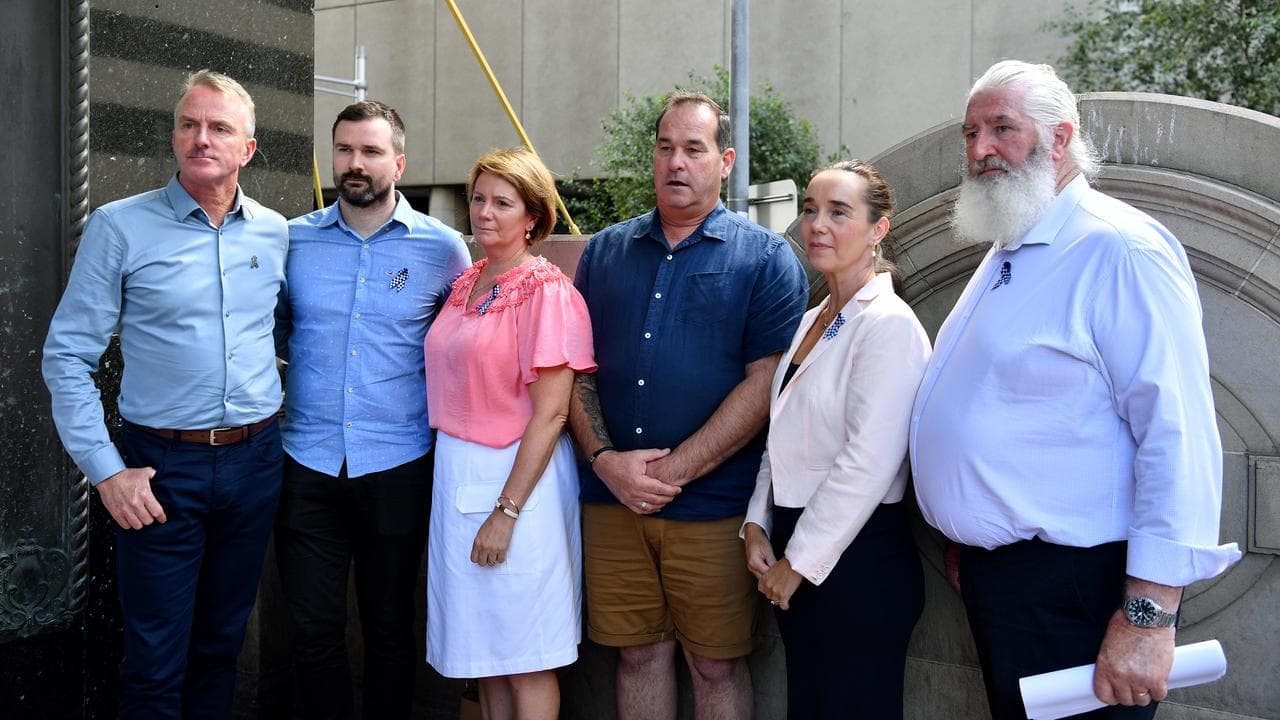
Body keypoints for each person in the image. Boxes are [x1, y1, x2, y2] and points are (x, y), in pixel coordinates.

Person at [910, 60, 1241, 720]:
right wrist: (975, 530)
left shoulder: (1118, 249)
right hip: (1005, 580)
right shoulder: (1012, 245)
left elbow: (1176, 437)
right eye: (971, 133)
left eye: (1002, 128)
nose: (980, 150)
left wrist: (1148, 620)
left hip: (1080, 590)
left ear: (1059, 139)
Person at [42, 70, 287, 718]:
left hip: (256, 463)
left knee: (220, 650)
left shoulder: (275, 232)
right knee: (153, 663)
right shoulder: (119, 228)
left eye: (219, 128)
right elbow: (66, 356)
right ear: (175, 135)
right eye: (189, 124)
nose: (200, 138)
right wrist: (108, 474)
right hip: (160, 471)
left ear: (248, 149)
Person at [569, 91, 808, 720]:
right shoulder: (604, 253)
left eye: (694, 149)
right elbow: (574, 370)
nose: (677, 162)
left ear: (725, 160)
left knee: (715, 663)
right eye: (665, 147)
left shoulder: (765, 258)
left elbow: (766, 383)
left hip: (712, 506)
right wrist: (604, 461)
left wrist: (671, 473)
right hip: (612, 500)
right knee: (638, 657)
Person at [273, 100, 469, 719]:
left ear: (399, 162)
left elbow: (463, 349)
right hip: (305, 464)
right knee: (313, 630)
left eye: (371, 151)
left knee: (389, 629)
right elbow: (271, 335)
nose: (354, 164)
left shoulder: (443, 251)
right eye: (345, 150)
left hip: (398, 465)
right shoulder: (294, 240)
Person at [742, 160, 929, 718]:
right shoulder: (812, 318)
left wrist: (796, 562)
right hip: (799, 547)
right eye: (810, 210)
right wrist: (757, 522)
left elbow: (868, 462)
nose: (817, 225)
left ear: (879, 229)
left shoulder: (888, 324)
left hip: (858, 561)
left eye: (838, 212)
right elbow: (782, 434)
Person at [423, 148, 595, 720]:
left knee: (526, 655)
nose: (484, 212)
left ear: (533, 217)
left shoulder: (546, 291)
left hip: (517, 480)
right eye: (478, 198)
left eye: (503, 202)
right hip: (456, 477)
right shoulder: (468, 280)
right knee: (483, 656)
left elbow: (550, 414)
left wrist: (508, 510)